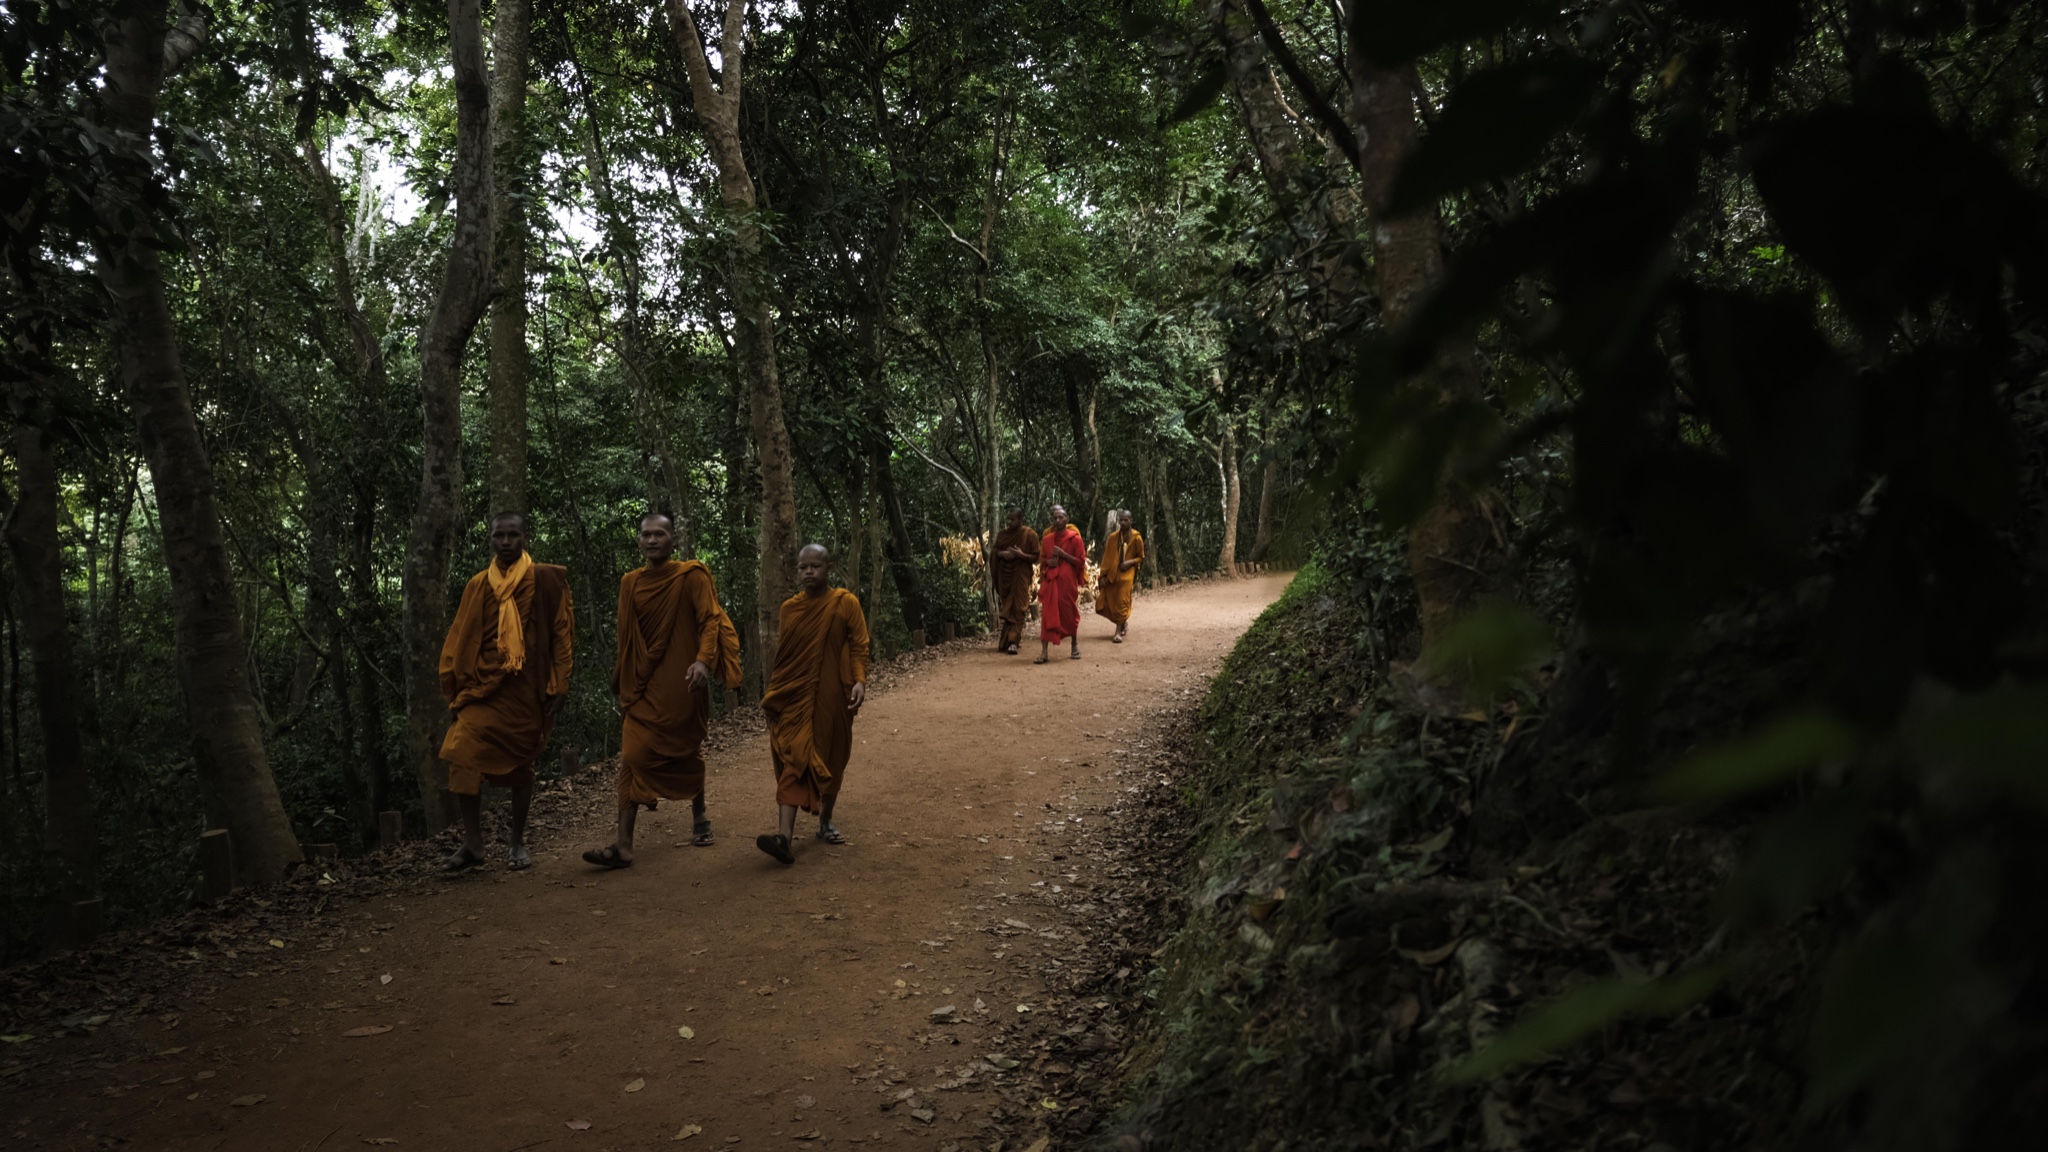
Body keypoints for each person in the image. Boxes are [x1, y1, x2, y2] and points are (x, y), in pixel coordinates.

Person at [583, 513, 742, 870]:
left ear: (674, 540)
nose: (652, 540)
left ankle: (699, 816)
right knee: (633, 754)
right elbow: (628, 641)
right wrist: (624, 679)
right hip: (643, 684)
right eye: (645, 535)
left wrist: (703, 661)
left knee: (685, 747)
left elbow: (710, 620)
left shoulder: (691, 575)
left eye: (660, 534)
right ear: (638, 540)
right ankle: (624, 845)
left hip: (685, 681)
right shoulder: (630, 583)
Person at [437, 512, 573, 872]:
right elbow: (460, 638)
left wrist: (559, 684)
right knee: (461, 754)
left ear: (525, 537)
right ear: (490, 540)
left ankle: (516, 842)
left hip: (527, 690)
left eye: (514, 534)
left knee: (520, 767)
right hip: (484, 689)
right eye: (500, 535)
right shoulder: (478, 585)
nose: (507, 541)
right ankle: (473, 843)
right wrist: (457, 681)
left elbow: (561, 635)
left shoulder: (546, 580)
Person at [756, 544, 870, 864]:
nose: (808, 572)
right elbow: (786, 659)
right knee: (796, 758)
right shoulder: (789, 609)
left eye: (815, 566)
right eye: (802, 567)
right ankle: (784, 838)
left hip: (834, 698)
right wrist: (774, 697)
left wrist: (859, 681)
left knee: (832, 760)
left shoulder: (845, 603)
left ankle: (826, 821)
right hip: (794, 698)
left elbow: (859, 646)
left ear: (828, 568)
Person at [1036, 504, 1086, 664]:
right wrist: (1048, 562)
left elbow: (1080, 561)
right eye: (1055, 518)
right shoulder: (1047, 540)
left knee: (1069, 612)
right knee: (1046, 614)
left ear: (1067, 519)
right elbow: (1043, 560)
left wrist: (1064, 555)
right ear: (1052, 520)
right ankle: (1044, 652)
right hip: (1051, 580)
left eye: (1061, 517)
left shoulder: (1075, 539)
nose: (1058, 520)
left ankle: (1074, 644)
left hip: (1067, 580)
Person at [991, 507, 1040, 655]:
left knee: (1019, 609)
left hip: (1021, 576)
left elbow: (1036, 557)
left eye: (1013, 519)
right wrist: (1002, 554)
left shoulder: (1029, 535)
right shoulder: (1002, 535)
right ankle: (1006, 640)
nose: (1009, 522)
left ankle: (1013, 642)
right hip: (1005, 578)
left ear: (1020, 520)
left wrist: (1021, 555)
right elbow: (993, 553)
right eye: (1008, 519)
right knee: (1008, 609)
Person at [1095, 508, 1145, 643]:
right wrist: (1103, 575)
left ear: (1131, 521)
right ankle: (1122, 623)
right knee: (1112, 599)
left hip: (1127, 573)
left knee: (1122, 600)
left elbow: (1141, 557)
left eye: (1126, 520)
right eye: (1121, 520)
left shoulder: (1136, 538)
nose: (1123, 522)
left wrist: (1130, 562)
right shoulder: (1113, 538)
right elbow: (1107, 558)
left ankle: (1117, 632)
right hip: (1114, 573)